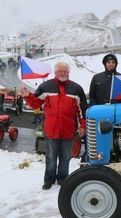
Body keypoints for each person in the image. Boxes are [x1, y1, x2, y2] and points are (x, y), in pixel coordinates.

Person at [20, 62, 87, 190]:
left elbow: (82, 110)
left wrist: (82, 126)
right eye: (60, 71)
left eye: (65, 71)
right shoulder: (45, 86)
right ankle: (48, 180)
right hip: (51, 130)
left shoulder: (76, 89)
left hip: (68, 131)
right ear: (55, 73)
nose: (63, 73)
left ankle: (63, 180)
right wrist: (27, 96)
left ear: (69, 73)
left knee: (66, 157)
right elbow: (35, 104)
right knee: (50, 157)